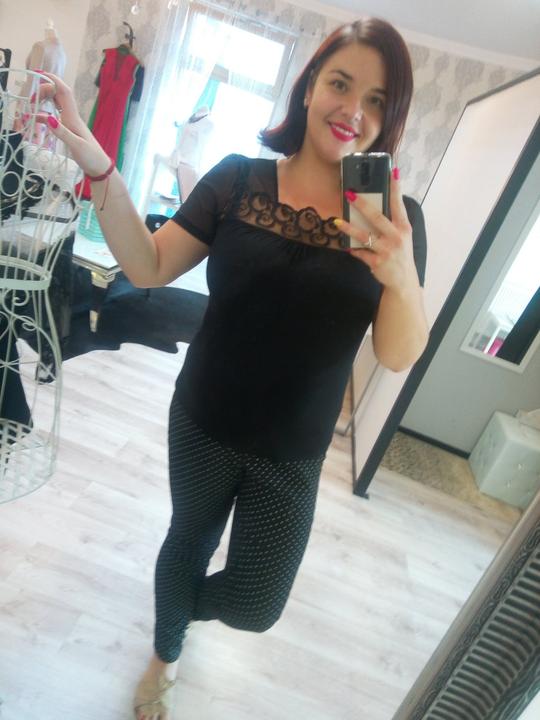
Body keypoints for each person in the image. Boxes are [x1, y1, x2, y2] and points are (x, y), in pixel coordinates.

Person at [35, 16, 429, 720]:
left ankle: (176, 607)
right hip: (204, 419)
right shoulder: (237, 180)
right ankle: (165, 652)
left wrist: (401, 275)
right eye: (340, 84)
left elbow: (397, 355)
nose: (353, 111)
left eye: (376, 100)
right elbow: (148, 265)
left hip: (294, 450)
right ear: (309, 87)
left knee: (256, 602)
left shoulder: (394, 218)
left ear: (389, 117)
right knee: (188, 541)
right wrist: (100, 167)